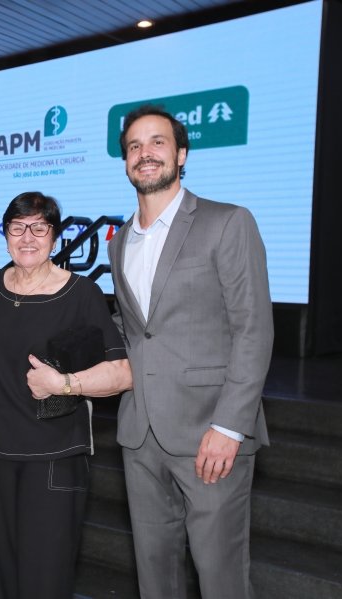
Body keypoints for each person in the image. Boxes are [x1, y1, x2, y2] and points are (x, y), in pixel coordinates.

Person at [108, 105, 273, 598]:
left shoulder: (228, 223)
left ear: (181, 154)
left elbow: (254, 329)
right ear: (125, 163)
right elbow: (137, 329)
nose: (145, 154)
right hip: (140, 434)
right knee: (154, 577)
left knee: (221, 577)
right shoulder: (120, 243)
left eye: (157, 142)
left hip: (210, 434)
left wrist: (229, 427)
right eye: (134, 146)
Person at [0, 191, 132, 598]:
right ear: (5, 235)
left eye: (39, 228)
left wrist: (62, 385)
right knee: (3, 580)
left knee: (46, 579)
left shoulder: (80, 295)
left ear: (55, 238)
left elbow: (120, 373)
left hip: (54, 459)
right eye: (17, 228)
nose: (27, 237)